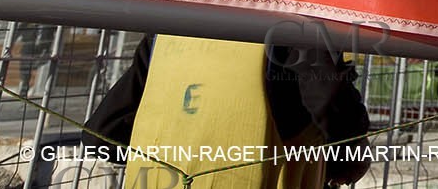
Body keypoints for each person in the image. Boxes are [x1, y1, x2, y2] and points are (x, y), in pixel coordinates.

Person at [84, 34, 372, 188]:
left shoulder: (167, 29)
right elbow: (328, 100)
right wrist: (351, 157)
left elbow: (102, 135)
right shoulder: (293, 23)